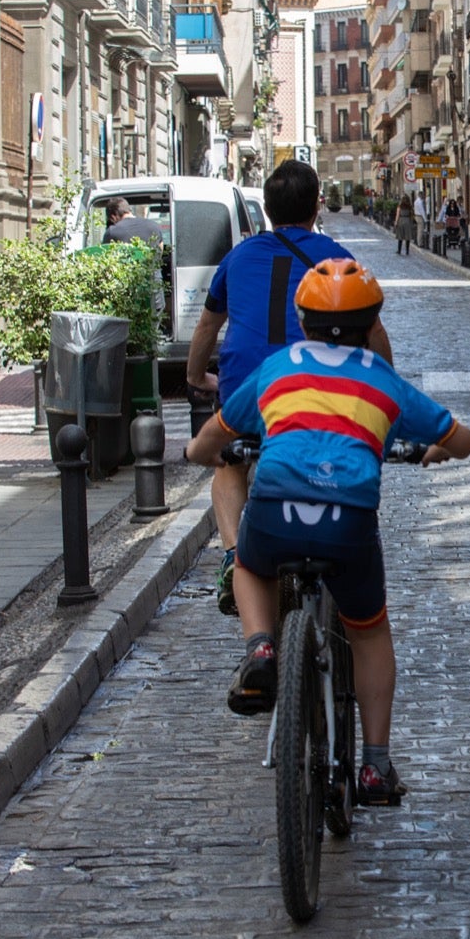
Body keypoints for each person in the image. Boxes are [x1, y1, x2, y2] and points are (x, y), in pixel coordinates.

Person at [186, 259, 470, 805]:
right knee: (367, 631)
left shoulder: (278, 368)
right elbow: (463, 440)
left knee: (249, 566)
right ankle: (375, 766)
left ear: (303, 319)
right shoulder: (381, 379)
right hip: (348, 525)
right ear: (372, 327)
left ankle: (261, 648)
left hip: (274, 512)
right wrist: (436, 449)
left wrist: (194, 452)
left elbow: (218, 429)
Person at [186, 159, 394, 617]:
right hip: (315, 388)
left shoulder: (237, 256)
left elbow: (207, 327)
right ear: (317, 206)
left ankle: (230, 553)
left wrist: (196, 376)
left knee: (229, 463)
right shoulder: (336, 258)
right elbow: (373, 331)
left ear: (266, 207)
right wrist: (383, 380)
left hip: (247, 386)